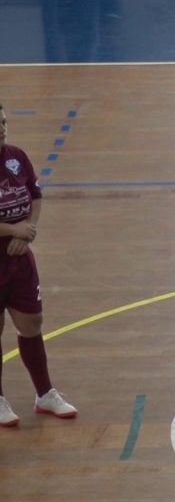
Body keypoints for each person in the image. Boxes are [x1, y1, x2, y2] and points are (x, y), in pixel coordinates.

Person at [0, 103, 78, 428]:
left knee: (32, 322)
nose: (2, 128)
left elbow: (35, 194)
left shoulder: (16, 157)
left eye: (4, 121)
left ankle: (44, 394)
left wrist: (28, 230)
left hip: (19, 258)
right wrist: (12, 230)